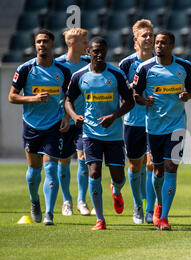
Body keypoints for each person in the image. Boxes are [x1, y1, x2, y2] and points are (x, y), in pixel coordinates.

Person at [65, 37, 135, 230]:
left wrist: (114, 116)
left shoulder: (116, 74)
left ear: (106, 51)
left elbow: (130, 102)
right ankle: (100, 219)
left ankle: (116, 189)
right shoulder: (80, 76)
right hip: (90, 133)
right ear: (88, 52)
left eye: (102, 51)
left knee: (119, 177)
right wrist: (74, 115)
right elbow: (68, 100)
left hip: (114, 134)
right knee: (94, 172)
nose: (99, 54)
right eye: (95, 51)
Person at [133, 31, 191, 231]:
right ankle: (156, 206)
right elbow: (135, 94)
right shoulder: (145, 68)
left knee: (171, 167)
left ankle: (165, 217)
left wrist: (187, 95)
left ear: (171, 45)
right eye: (157, 43)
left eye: (163, 43)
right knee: (157, 169)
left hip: (177, 125)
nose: (158, 46)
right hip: (154, 127)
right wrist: (144, 100)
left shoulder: (184, 66)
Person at [8, 29, 71, 225]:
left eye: (45, 41)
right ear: (35, 45)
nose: (42, 45)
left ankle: (49, 214)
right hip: (32, 125)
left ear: (52, 45)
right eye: (38, 42)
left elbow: (69, 98)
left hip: (54, 125)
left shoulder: (63, 71)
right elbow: (12, 96)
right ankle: (35, 200)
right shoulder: (25, 69)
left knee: (51, 167)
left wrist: (67, 117)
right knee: (34, 170)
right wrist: (33, 98)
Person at [119, 19, 157, 225]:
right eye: (145, 35)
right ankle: (137, 205)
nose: (149, 38)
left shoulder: (161, 61)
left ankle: (150, 210)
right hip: (133, 121)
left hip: (157, 122)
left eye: (151, 34)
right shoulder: (126, 64)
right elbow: (123, 93)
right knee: (134, 166)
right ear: (136, 40)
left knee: (152, 165)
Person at [56, 28, 91, 217]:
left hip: (84, 120)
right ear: (71, 43)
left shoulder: (88, 63)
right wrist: (63, 116)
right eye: (84, 41)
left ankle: (81, 201)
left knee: (83, 159)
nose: (87, 45)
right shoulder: (59, 64)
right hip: (63, 120)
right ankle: (66, 200)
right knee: (64, 161)